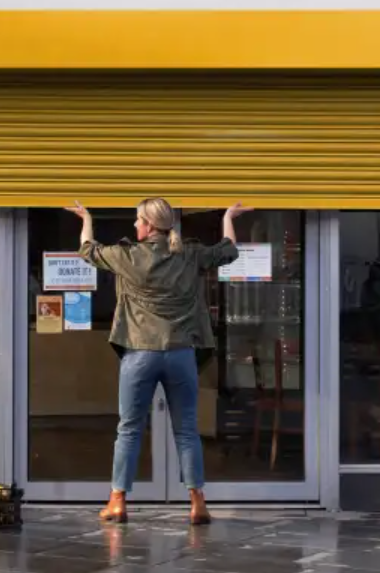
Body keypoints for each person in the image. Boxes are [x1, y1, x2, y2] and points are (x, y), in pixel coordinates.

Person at [64, 198, 251, 525]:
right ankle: (198, 503)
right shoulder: (189, 255)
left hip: (140, 354)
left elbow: (88, 250)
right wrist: (228, 216)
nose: (135, 226)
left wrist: (86, 217)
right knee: (187, 431)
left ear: (149, 225)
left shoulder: (128, 256)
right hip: (181, 354)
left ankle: (118, 501)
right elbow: (229, 250)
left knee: (129, 429)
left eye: (138, 220)